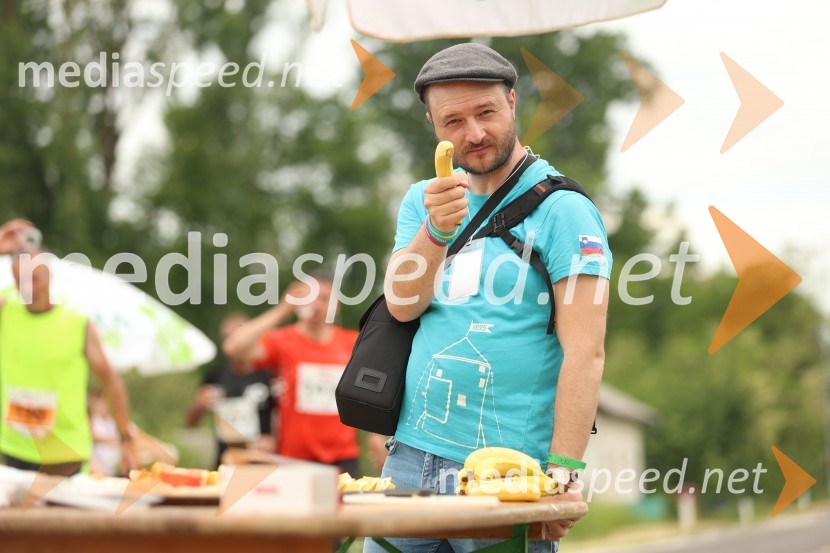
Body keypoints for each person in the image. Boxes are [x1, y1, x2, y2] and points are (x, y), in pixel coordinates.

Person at [365, 44, 612, 553]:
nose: (474, 133)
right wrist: (435, 230)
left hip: (507, 476)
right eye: (453, 120)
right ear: (433, 124)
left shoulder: (566, 211)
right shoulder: (423, 199)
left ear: (514, 101)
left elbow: (585, 352)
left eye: (486, 112)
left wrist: (564, 470)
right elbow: (402, 305)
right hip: (410, 458)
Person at [0, 220, 138, 476]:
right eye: (20, 281)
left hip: (66, 455)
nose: (28, 288)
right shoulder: (6, 310)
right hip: (15, 450)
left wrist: (126, 439)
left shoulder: (78, 324)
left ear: (50, 276)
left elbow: (111, 383)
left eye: (35, 279)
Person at [223, 277, 385, 476]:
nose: (316, 305)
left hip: (343, 457)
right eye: (309, 297)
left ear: (336, 306)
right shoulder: (282, 341)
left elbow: (366, 392)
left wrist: (376, 435)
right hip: (295, 459)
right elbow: (234, 348)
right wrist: (283, 308)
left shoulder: (352, 342)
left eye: (324, 299)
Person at [186, 313, 275, 468]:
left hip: (260, 462)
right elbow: (191, 424)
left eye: (240, 337)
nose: (236, 343)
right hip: (225, 462)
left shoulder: (268, 374)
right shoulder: (215, 374)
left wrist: (273, 439)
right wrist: (198, 406)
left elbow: (285, 416)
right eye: (229, 337)